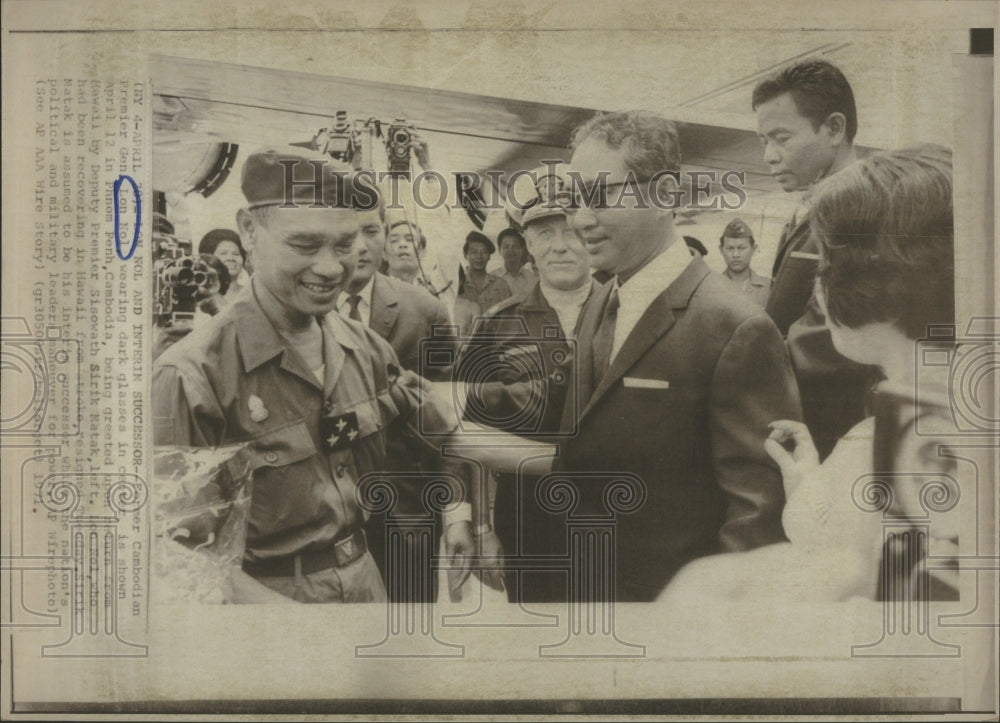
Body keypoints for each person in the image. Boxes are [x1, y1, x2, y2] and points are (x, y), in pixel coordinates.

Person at [152, 148, 475, 604]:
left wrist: (464, 513)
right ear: (249, 230)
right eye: (304, 245)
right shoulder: (191, 376)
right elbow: (180, 557)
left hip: (366, 584)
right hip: (265, 605)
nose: (330, 268)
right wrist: (299, 630)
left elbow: (441, 430)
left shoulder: (365, 349)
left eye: (345, 246)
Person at [659, 144, 958, 603]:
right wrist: (812, 486)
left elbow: (897, 588)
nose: (818, 285)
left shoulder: (923, 435)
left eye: (827, 266)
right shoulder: (921, 413)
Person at [548, 110, 801, 601]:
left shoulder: (736, 327)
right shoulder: (603, 298)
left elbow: (757, 515)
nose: (580, 219)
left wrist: (707, 624)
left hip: (668, 611)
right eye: (573, 199)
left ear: (665, 195)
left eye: (599, 196)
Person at [462, 178, 600, 602]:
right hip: (527, 517)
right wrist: (481, 527)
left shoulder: (629, 312)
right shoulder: (498, 324)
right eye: (543, 235)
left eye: (572, 231)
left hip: (615, 513)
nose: (560, 247)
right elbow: (468, 431)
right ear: (528, 247)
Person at [753, 59, 879, 460]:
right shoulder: (814, 208)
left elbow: (822, 345)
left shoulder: (860, 212)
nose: (769, 156)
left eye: (781, 138)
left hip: (830, 438)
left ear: (834, 129)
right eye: (763, 141)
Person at [336, 201, 457, 601]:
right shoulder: (299, 310)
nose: (360, 246)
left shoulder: (425, 311)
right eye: (347, 233)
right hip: (323, 517)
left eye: (371, 231)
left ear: (385, 239)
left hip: (407, 512)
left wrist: (458, 512)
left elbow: (447, 419)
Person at [718, 218, 771, 307]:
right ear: (721, 250)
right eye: (730, 248)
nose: (735, 255)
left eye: (742, 248)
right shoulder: (712, 287)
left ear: (753, 249)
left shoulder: (769, 288)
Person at [457, 230, 512, 312]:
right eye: (474, 252)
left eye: (484, 252)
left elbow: (510, 316)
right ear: (465, 255)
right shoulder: (458, 284)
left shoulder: (501, 285)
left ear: (489, 256)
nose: (479, 256)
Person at [198, 228, 250, 299]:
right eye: (223, 253)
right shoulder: (199, 294)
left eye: (236, 254)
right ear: (209, 258)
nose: (230, 258)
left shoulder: (251, 294)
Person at [491, 227, 538, 299]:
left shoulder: (533, 279)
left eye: (515, 246)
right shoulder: (492, 278)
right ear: (499, 250)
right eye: (506, 247)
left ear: (522, 249)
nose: (511, 250)